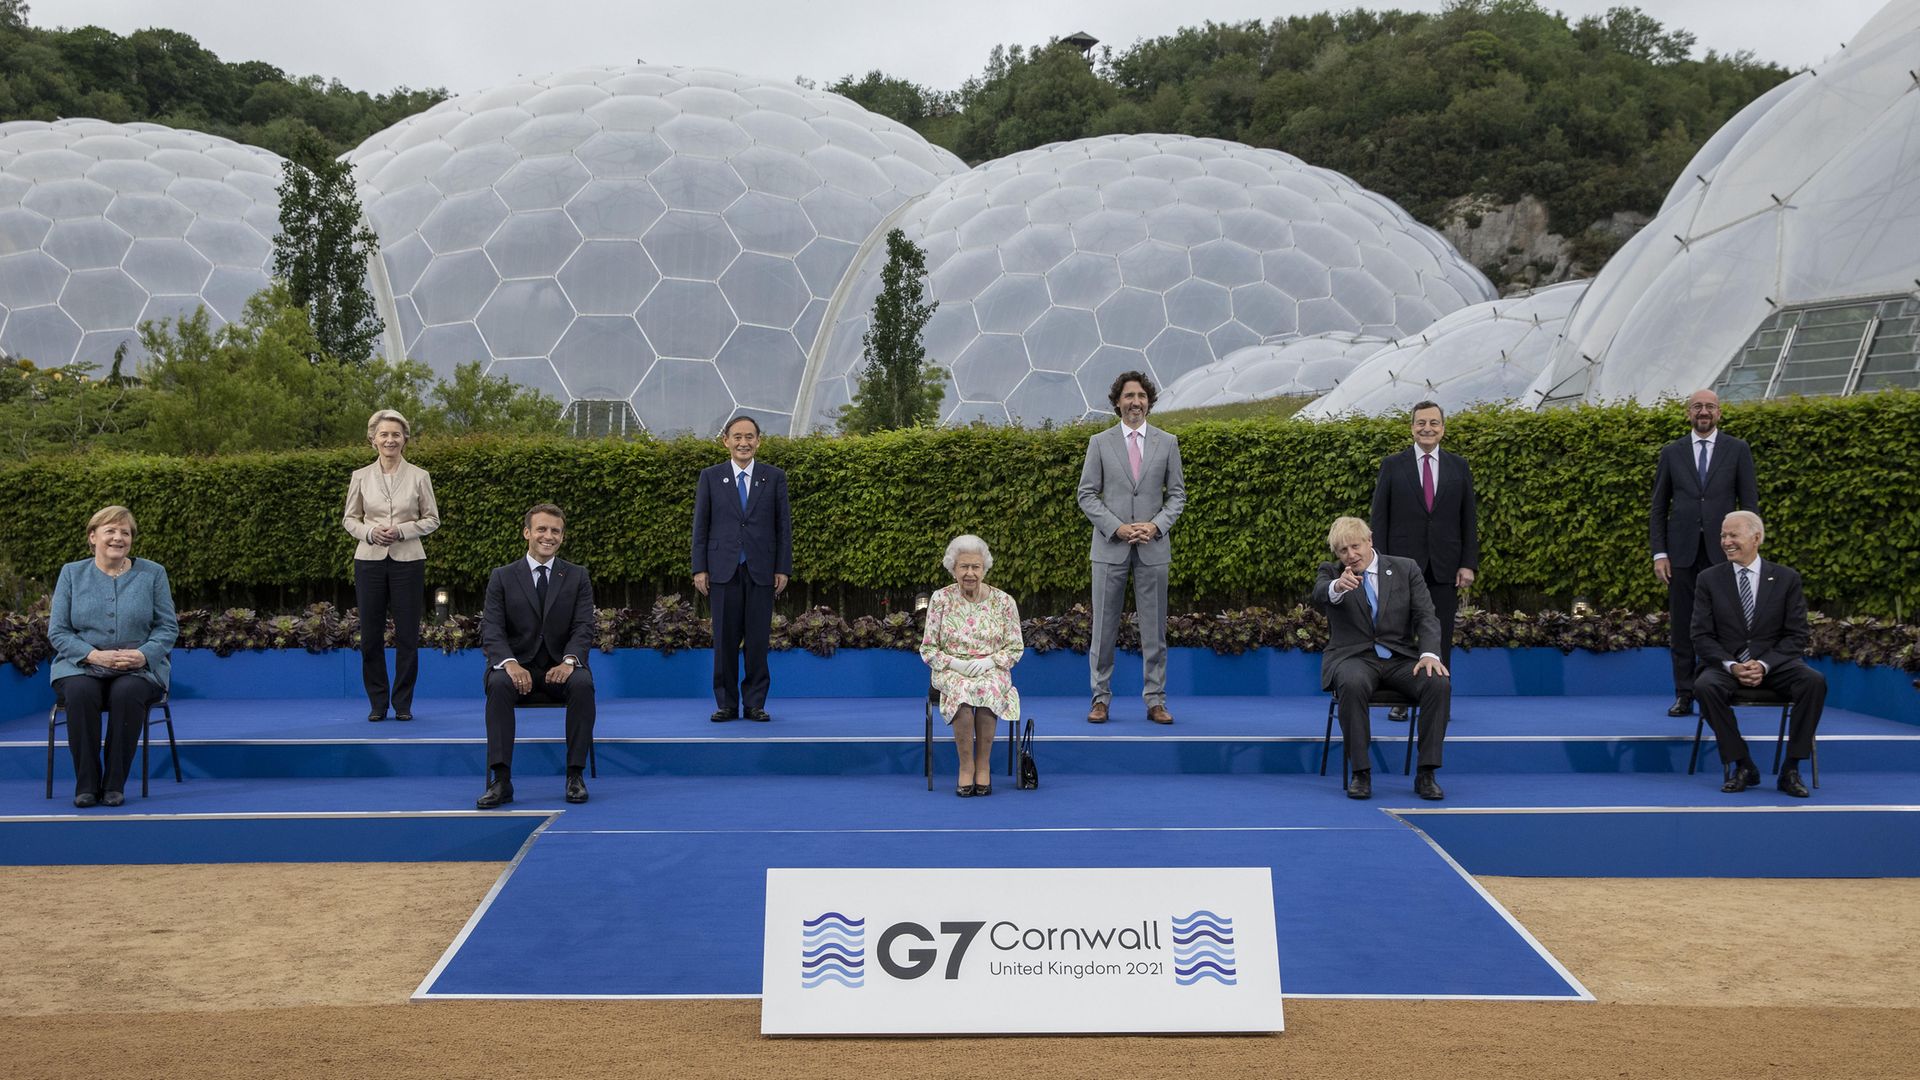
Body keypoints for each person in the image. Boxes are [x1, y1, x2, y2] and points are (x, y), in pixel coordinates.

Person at [46, 506, 178, 808]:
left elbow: (167, 627)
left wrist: (143, 655)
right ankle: (87, 785)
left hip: (138, 670)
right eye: (111, 531)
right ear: (93, 537)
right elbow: (59, 632)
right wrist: (93, 655)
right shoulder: (71, 573)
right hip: (81, 666)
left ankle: (114, 784)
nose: (118, 538)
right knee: (80, 692)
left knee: (127, 692)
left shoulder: (153, 573)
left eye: (125, 532)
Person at [1312, 516, 1451, 801]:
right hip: (1354, 657)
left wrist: (1428, 654)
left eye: (1355, 546)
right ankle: (1360, 774)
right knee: (1350, 683)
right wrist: (1337, 587)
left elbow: (1425, 615)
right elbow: (1319, 594)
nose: (1350, 555)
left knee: (1437, 682)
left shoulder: (1405, 568)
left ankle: (1426, 773)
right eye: (1342, 551)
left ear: (1370, 541)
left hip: (1400, 657)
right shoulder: (1332, 573)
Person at [1077, 371, 1186, 725]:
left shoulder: (1167, 442)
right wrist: (1117, 527)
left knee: (1154, 630)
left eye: (1141, 396)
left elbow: (1178, 496)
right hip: (1109, 548)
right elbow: (1087, 494)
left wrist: (1155, 526)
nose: (1135, 402)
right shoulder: (1099, 442)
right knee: (1104, 628)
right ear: (1117, 403)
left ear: (1148, 401)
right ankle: (1100, 699)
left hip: (1153, 548)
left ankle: (1155, 700)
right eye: (1128, 396)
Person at [1689, 511, 1823, 798]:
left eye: (1733, 535)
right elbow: (1700, 636)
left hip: (1774, 664)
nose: (1726, 541)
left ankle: (1791, 768)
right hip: (1727, 665)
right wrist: (1733, 666)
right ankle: (1743, 764)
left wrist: (1763, 664)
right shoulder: (1708, 579)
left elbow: (1796, 636)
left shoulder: (1787, 578)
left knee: (1813, 681)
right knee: (1704, 686)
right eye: (1723, 535)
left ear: (1756, 538)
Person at [477, 504, 596, 809]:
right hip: (517, 668)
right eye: (542, 529)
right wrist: (511, 663)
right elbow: (491, 628)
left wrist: (569, 662)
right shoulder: (502, 577)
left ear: (562, 537)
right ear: (527, 533)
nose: (548, 536)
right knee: (499, 683)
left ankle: (575, 776)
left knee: (583, 683)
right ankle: (501, 780)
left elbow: (584, 626)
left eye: (555, 531)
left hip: (560, 668)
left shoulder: (577, 576)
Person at [1650, 389, 1757, 717]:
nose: (1704, 411)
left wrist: (1747, 551)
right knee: (1682, 627)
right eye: (1697, 406)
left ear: (1719, 413)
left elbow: (1749, 506)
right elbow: (1658, 507)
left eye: (1710, 406)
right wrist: (1659, 554)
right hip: (1681, 556)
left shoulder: (1737, 450)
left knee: (1725, 627)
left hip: (1723, 555)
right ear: (1688, 413)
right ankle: (1684, 694)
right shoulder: (1672, 452)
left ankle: (1717, 690)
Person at [1370, 400, 1477, 721]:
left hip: (1445, 567)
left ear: (1443, 428)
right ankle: (1401, 698)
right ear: (1412, 427)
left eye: (1433, 423)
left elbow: (1467, 519)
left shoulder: (1459, 467)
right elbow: (1380, 518)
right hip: (1399, 568)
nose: (1427, 428)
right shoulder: (1393, 465)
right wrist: (1380, 564)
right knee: (1399, 635)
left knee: (1440, 634)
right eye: (1421, 423)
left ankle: (1437, 701)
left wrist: (1468, 563)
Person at [342, 409, 440, 723]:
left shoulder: (419, 476)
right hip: (369, 561)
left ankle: (402, 704)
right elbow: (349, 519)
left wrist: (403, 530)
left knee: (407, 635)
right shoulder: (359, 476)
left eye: (396, 434)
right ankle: (377, 702)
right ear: (373, 440)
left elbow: (432, 519)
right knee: (370, 635)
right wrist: (370, 532)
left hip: (408, 561)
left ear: (405, 439)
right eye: (384, 434)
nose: (390, 439)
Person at [692, 414, 791, 723]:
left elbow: (783, 528)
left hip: (761, 570)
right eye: (737, 437)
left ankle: (754, 704)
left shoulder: (774, 477)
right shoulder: (710, 476)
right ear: (726, 441)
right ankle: (726, 704)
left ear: (758, 441)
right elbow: (701, 526)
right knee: (724, 641)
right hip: (722, 570)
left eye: (749, 437)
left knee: (758, 641)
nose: (743, 442)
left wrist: (783, 569)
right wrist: (699, 568)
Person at [919, 535, 1025, 797]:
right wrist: (955, 663)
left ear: (984, 569)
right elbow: (928, 648)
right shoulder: (940, 599)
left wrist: (991, 661)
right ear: (953, 568)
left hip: (992, 668)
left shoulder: (1004, 602)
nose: (970, 573)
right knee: (964, 691)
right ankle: (966, 766)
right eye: (963, 567)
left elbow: (1015, 647)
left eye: (975, 567)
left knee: (988, 688)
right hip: (952, 669)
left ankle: (983, 765)